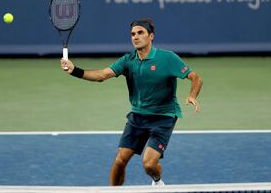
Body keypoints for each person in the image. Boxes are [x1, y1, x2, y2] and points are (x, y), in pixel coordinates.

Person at [60, 18, 203, 186]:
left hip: (163, 117)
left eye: (140, 32)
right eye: (133, 34)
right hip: (138, 117)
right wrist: (74, 70)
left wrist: (192, 95)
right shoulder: (128, 60)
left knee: (149, 164)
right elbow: (101, 76)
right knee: (120, 161)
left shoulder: (167, 58)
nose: (135, 37)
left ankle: (157, 181)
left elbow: (196, 78)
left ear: (151, 36)